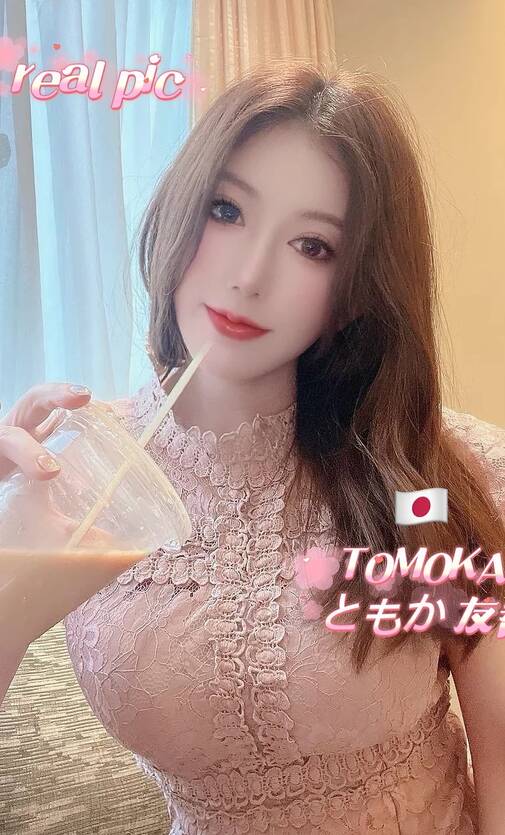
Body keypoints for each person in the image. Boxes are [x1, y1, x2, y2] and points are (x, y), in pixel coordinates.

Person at [2, 59, 505, 833]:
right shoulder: (79, 473)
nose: (248, 274)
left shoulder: (430, 477)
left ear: (354, 292)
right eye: (226, 209)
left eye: (312, 245)